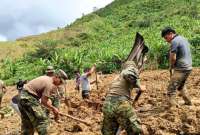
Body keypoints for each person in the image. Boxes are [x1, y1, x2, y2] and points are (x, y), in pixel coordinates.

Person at [101, 61, 146, 135]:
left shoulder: (117, 78)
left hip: (107, 104)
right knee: (135, 131)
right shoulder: (129, 69)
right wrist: (140, 86)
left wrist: (137, 87)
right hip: (120, 103)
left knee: (108, 132)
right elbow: (128, 74)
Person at [18, 69, 68, 135]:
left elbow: (44, 100)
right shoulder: (49, 83)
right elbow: (44, 101)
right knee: (42, 121)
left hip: (22, 97)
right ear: (56, 77)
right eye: (60, 81)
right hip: (28, 98)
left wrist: (50, 106)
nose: (60, 84)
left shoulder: (46, 79)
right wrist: (54, 108)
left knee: (28, 124)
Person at [161, 27, 192, 108]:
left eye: (166, 37)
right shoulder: (183, 38)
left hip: (181, 68)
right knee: (181, 85)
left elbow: (173, 57)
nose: (166, 40)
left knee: (171, 88)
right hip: (188, 67)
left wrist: (171, 66)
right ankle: (188, 101)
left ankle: (172, 108)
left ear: (170, 34)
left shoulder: (174, 41)